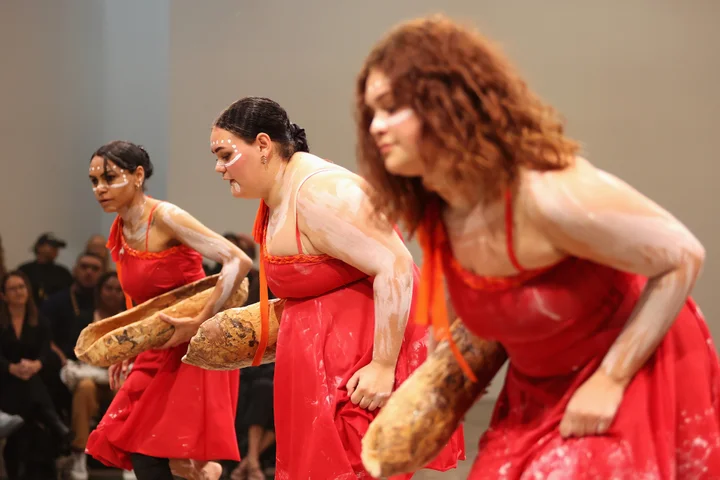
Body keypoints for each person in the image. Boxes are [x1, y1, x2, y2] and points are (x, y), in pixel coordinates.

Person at [355, 14, 720, 478]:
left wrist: (611, 379)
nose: (376, 128)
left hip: (630, 362)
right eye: (372, 113)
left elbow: (683, 256)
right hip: (539, 384)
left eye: (391, 108)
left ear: (447, 103)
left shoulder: (548, 195)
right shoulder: (440, 206)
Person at [210, 96, 465, 479]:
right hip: (320, 366)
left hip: (356, 371)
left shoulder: (319, 193)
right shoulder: (280, 192)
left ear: (263, 145)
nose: (218, 167)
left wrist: (382, 366)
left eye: (225, 154)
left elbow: (394, 265)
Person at [85, 140, 254, 480]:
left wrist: (197, 321)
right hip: (158, 345)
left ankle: (207, 471)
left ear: (137, 175)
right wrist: (127, 346)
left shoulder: (165, 217)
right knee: (148, 452)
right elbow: (140, 300)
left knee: (158, 454)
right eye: (94, 181)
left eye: (109, 177)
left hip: (194, 348)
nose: (100, 188)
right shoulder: (120, 228)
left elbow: (239, 260)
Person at [0, 270, 72, 478]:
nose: (18, 292)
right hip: (4, 380)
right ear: (3, 295)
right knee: (28, 389)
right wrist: (11, 368)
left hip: (29, 381)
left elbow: (45, 352)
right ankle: (56, 424)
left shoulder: (39, 320)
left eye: (22, 287)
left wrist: (36, 365)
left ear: (28, 291)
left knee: (29, 388)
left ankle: (27, 462)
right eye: (12, 289)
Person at [65, 271, 126, 480]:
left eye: (118, 289)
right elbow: (73, 353)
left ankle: (129, 456)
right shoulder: (84, 318)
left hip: (120, 379)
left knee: (127, 390)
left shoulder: (132, 318)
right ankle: (79, 454)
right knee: (85, 388)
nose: (113, 293)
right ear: (99, 291)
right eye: (108, 288)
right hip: (89, 377)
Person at [18, 233, 73, 305]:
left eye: (57, 247)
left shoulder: (63, 273)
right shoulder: (25, 270)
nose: (56, 249)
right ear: (39, 247)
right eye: (52, 246)